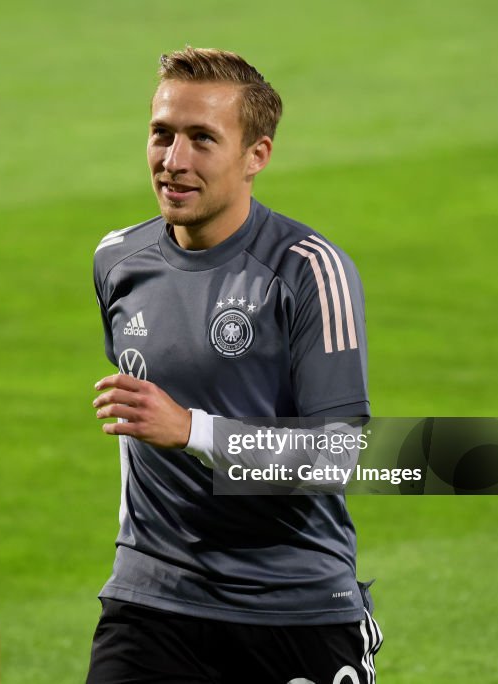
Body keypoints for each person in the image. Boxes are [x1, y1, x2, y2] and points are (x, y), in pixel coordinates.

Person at [87, 48, 382, 683]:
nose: (174, 161)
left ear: (257, 156)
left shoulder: (309, 270)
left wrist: (191, 430)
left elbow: (338, 456)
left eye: (202, 139)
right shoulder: (117, 261)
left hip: (292, 607)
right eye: (162, 134)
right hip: (151, 600)